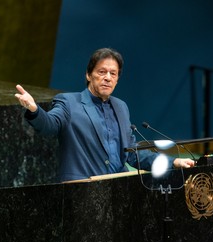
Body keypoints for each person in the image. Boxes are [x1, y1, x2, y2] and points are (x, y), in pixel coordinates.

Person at [15, 47, 195, 182]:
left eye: (113, 73)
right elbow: (49, 125)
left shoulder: (121, 107)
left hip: (119, 188)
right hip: (82, 187)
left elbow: (133, 153)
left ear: (117, 79)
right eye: (102, 72)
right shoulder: (69, 102)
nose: (107, 77)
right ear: (88, 75)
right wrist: (34, 109)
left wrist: (173, 162)